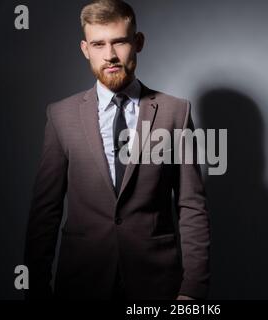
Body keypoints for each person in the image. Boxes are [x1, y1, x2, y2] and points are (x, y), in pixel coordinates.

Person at [24, 0, 210, 300]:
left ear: (138, 43)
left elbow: (191, 206)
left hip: (157, 285)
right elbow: (45, 212)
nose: (109, 55)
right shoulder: (61, 116)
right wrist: (36, 291)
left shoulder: (176, 113)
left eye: (120, 42)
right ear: (85, 49)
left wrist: (192, 292)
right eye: (98, 44)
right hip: (81, 283)